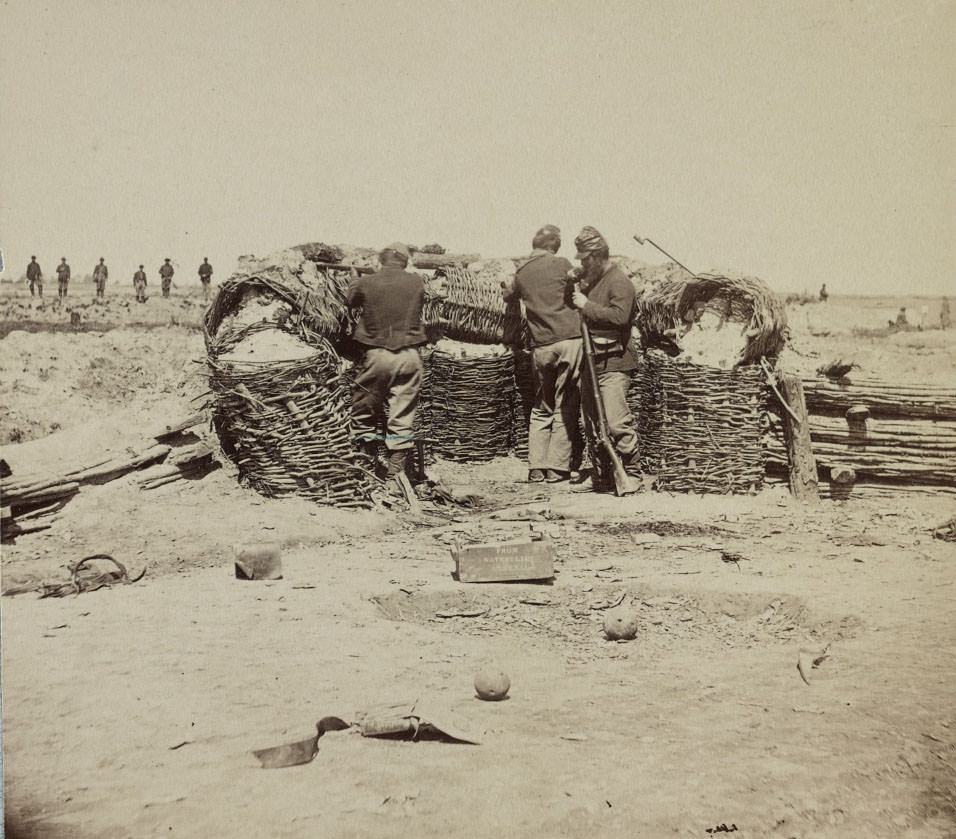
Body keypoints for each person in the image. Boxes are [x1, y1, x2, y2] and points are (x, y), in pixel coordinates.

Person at [502, 224, 582, 483]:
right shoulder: (561, 264)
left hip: (541, 345)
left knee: (541, 406)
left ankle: (536, 467)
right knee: (566, 403)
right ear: (554, 247)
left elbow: (507, 295)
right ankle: (557, 468)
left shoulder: (522, 271)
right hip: (569, 339)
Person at [568, 226, 642, 492]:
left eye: (585, 259)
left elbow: (620, 317)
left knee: (615, 421)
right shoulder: (593, 279)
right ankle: (601, 475)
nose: (582, 263)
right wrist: (573, 285)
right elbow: (573, 304)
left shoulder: (619, 282)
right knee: (592, 421)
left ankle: (632, 472)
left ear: (598, 255)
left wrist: (585, 305)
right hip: (592, 362)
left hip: (614, 362)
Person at [347, 242, 427, 480]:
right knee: (402, 419)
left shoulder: (367, 282)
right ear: (404, 261)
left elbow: (351, 300)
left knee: (364, 414)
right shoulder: (416, 282)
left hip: (377, 355)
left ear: (381, 260)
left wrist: (355, 277)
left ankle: (367, 470)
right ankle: (395, 476)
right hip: (410, 356)